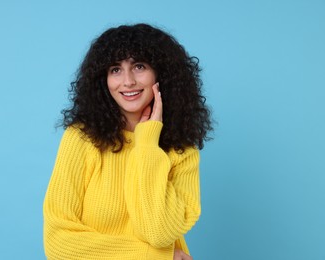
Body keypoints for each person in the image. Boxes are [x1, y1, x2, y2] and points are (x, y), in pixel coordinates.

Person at [43, 23, 213, 260]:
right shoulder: (81, 139)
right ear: (103, 79)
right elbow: (59, 243)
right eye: (115, 69)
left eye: (139, 66)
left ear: (160, 73)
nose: (128, 81)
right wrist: (156, 256)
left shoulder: (182, 151)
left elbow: (158, 232)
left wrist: (146, 144)